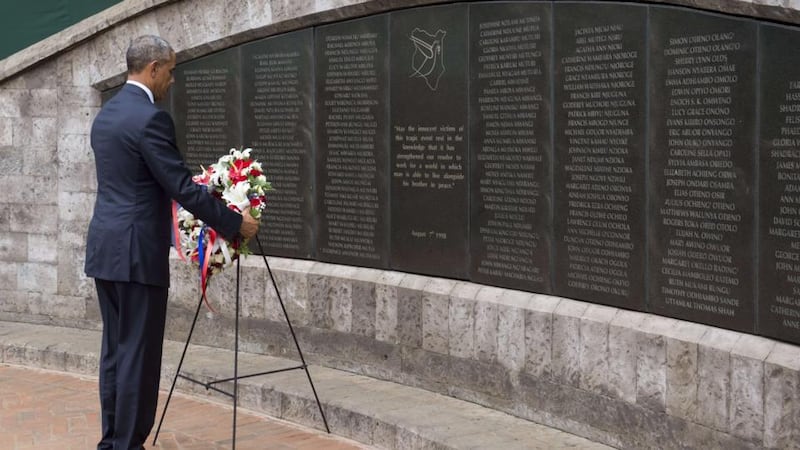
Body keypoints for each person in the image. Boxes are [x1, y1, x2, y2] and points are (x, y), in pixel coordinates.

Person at [84, 35, 259, 449]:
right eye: (171, 70)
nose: (173, 80)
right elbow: (180, 187)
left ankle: (111, 442)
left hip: (105, 250)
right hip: (136, 254)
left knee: (115, 352)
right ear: (154, 69)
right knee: (137, 358)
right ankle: (127, 445)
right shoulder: (150, 119)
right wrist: (235, 223)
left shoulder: (106, 115)